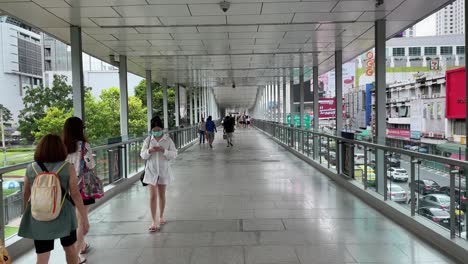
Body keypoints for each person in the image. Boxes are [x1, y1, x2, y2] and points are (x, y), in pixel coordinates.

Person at [18, 134, 89, 264]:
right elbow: (75, 194)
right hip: (65, 215)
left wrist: (25, 213)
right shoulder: (68, 167)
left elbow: (26, 193)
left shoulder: (31, 168)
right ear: (61, 149)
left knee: (42, 255)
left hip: (39, 215)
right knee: (70, 250)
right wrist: (84, 217)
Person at [63, 117, 96, 260]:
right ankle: (75, 256)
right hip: (83, 186)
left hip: (65, 187)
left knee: (76, 218)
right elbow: (91, 164)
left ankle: (82, 246)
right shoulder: (84, 145)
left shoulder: (61, 146)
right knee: (82, 218)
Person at [141, 116, 177, 232]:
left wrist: (163, 150)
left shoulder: (168, 140)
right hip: (151, 170)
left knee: (162, 195)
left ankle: (161, 216)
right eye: (154, 130)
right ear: (151, 130)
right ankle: (153, 221)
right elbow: (142, 155)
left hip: (163, 170)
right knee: (152, 196)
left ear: (162, 128)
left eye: (158, 129)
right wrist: (149, 151)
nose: (156, 132)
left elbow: (174, 154)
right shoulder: (148, 140)